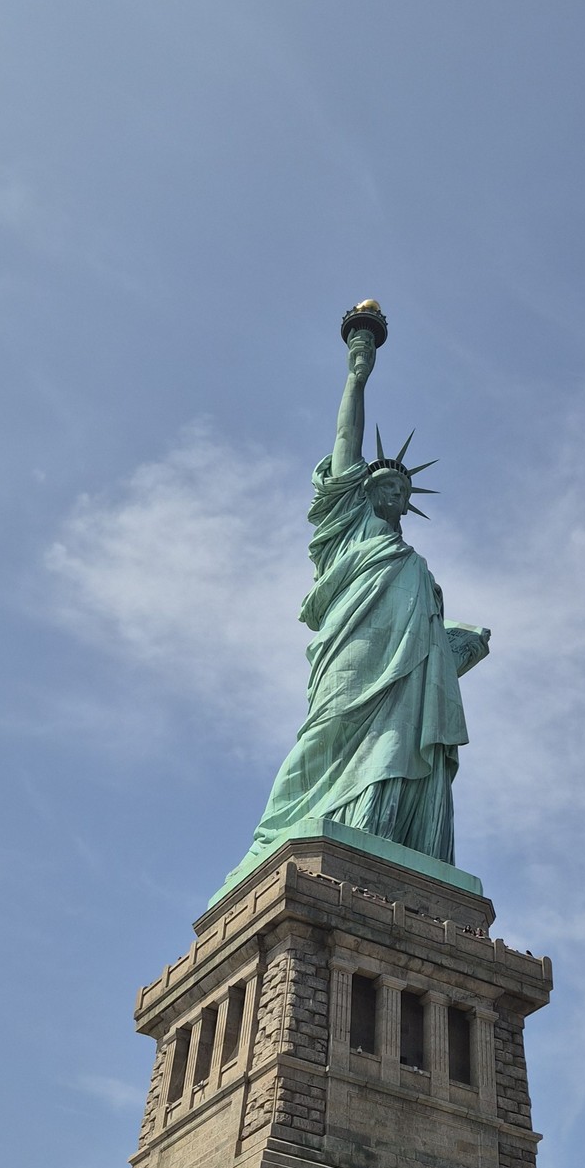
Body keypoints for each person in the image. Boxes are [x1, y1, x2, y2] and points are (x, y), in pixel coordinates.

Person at [228, 309, 491, 886]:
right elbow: (347, 440)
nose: (395, 491)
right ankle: (278, 834)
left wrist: (454, 647)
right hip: (354, 653)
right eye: (384, 484)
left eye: (402, 488)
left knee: (401, 746)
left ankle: (389, 838)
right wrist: (358, 371)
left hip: (408, 677)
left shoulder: (414, 566)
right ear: (363, 492)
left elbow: (425, 641)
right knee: (327, 732)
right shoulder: (348, 530)